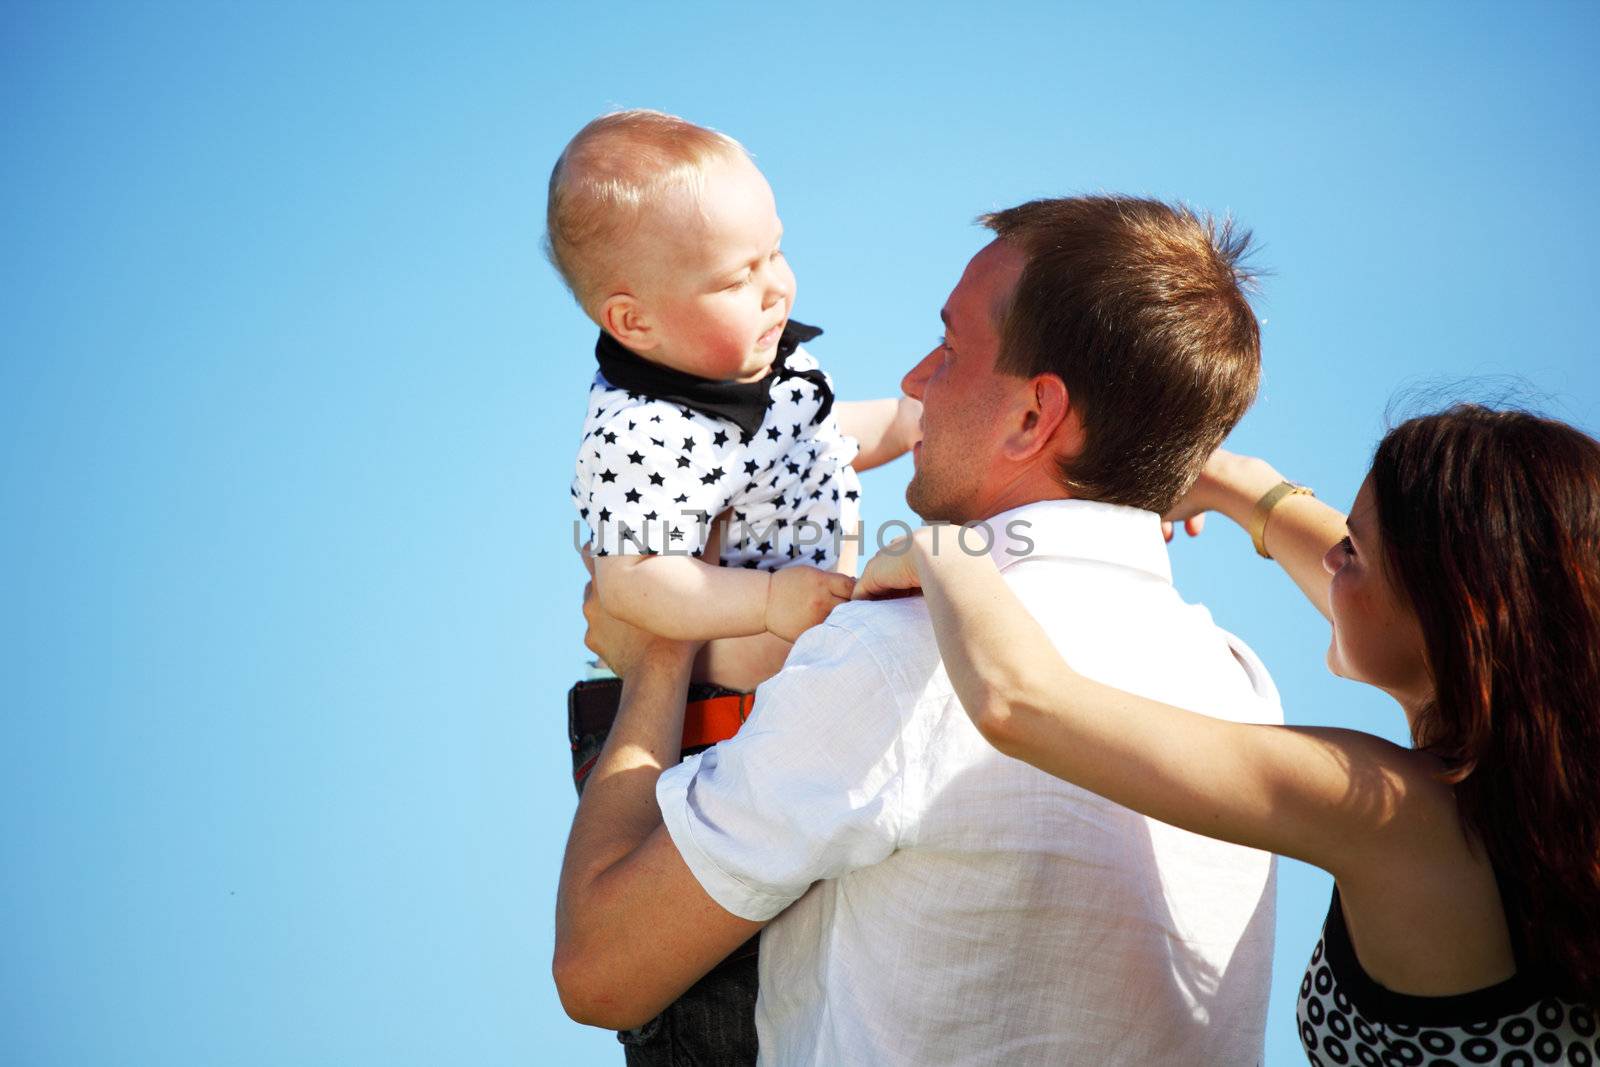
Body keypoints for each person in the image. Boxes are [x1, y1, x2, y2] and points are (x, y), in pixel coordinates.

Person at [557, 195, 1284, 1064]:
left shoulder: (901, 653)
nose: (913, 378)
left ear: (1031, 417)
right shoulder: (1241, 686)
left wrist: (660, 647)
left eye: (949, 346)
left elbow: (599, 969)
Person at [854, 406, 1600, 1064]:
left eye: (1354, 550)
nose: (1333, 555)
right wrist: (1229, 479)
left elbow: (1020, 701)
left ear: (1455, 610)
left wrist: (945, 549)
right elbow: (1327, 554)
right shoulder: (1538, 802)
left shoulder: (1395, 811)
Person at [547, 109, 917, 1063]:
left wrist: (922, 421)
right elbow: (633, 583)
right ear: (634, 319)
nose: (774, 289)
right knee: (726, 992)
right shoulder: (640, 430)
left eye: (775, 255)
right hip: (692, 718)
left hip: (776, 672)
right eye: (733, 278)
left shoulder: (770, 356)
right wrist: (766, 602)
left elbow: (831, 445)